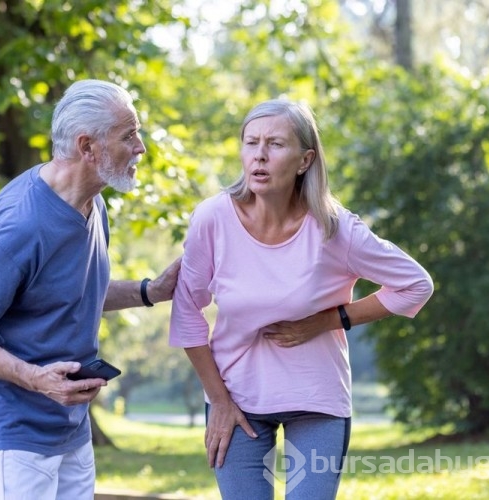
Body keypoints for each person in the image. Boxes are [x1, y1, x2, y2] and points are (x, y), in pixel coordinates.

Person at [168, 98, 434, 499]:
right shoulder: (212, 219)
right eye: (250, 142)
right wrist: (219, 401)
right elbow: (187, 311)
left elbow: (415, 283)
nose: (259, 155)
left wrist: (328, 320)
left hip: (316, 397)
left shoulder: (334, 228)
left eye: (275, 144)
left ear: (305, 160)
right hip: (236, 396)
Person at [0, 79, 181, 500]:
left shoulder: (93, 202)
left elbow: (70, 295)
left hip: (69, 423)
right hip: (11, 428)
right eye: (128, 135)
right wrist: (34, 378)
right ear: (87, 147)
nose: (141, 147)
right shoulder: (19, 225)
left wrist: (150, 291)